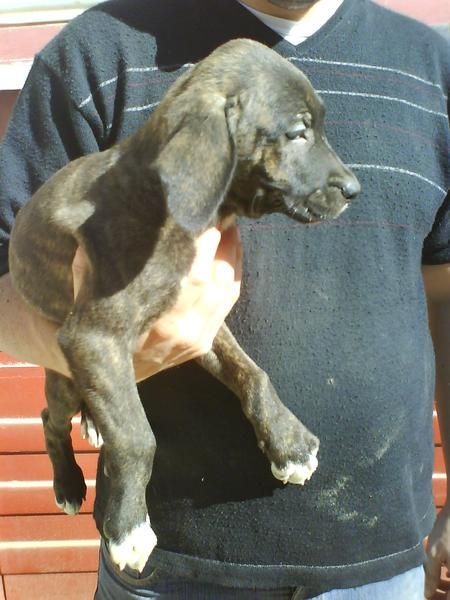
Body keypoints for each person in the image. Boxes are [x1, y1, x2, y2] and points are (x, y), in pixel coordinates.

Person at [0, 0, 449, 598]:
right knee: (72, 398)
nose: (346, 178)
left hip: (381, 564)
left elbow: (443, 298)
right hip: (172, 570)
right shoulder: (95, 55)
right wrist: (115, 343)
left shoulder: (431, 65)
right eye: (296, 134)